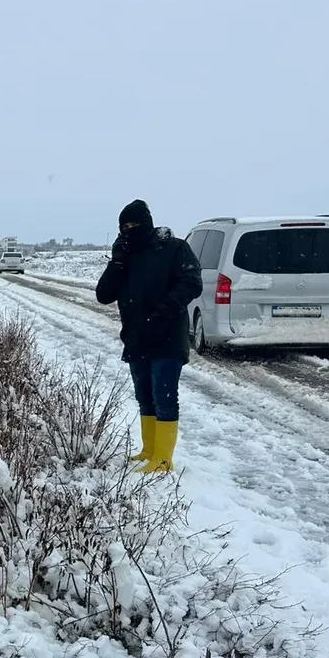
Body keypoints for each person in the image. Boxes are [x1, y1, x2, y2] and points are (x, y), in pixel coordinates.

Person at [94, 199, 201, 473]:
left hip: (167, 336)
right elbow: (103, 295)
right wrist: (116, 262)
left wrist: (163, 311)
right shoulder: (126, 255)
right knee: (145, 395)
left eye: (135, 225)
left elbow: (191, 283)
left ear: (148, 223)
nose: (130, 230)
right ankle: (149, 450)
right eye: (124, 226)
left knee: (164, 395)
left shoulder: (175, 248)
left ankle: (163, 459)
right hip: (136, 337)